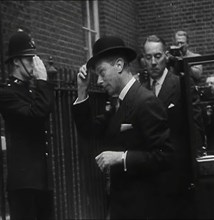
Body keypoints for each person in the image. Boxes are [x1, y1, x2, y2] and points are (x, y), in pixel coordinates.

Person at [72, 36, 175, 219]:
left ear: (119, 65)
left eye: (102, 72)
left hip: (143, 208)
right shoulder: (117, 104)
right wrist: (81, 91)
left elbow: (165, 156)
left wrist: (122, 157)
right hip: (122, 206)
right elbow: (89, 131)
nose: (99, 81)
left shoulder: (145, 101)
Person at [139, 34, 204, 218]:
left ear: (166, 56)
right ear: (143, 59)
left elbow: (195, 129)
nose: (153, 62)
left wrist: (194, 173)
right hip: (151, 182)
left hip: (178, 181)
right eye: (148, 57)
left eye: (158, 56)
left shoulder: (181, 84)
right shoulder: (141, 90)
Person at [0, 29, 53, 220]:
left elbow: (44, 109)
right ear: (15, 61)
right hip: (23, 183)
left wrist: (41, 85)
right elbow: (38, 114)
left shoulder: (27, 91)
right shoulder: (7, 94)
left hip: (39, 179)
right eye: (29, 59)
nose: (34, 63)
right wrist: (42, 82)